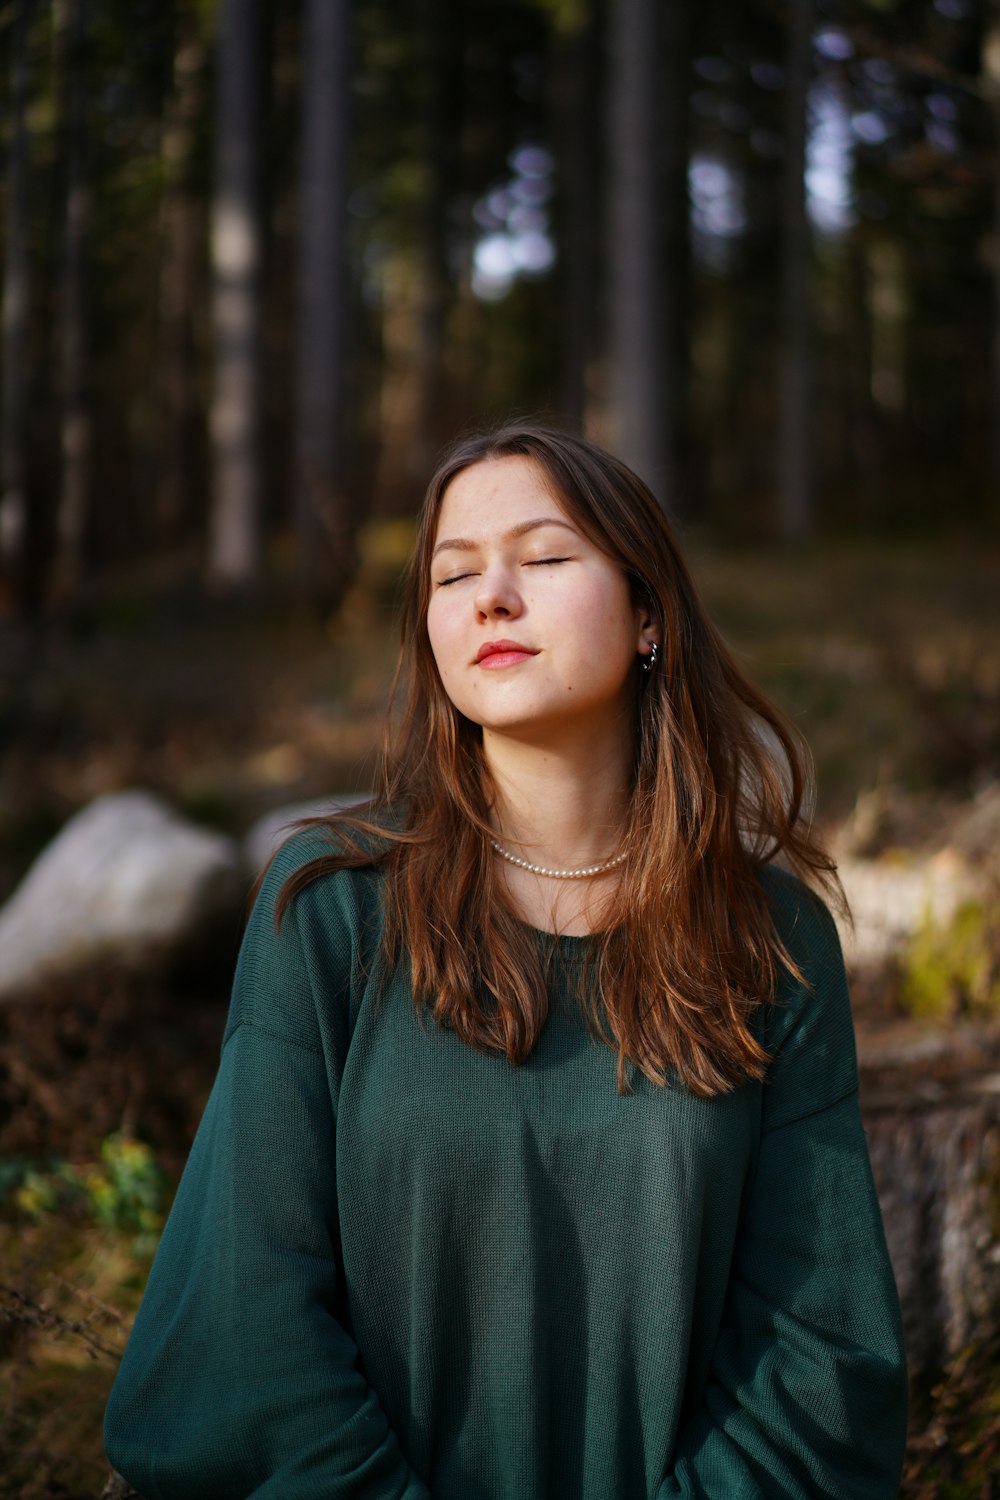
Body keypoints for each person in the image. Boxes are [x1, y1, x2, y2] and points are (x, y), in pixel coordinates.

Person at [104, 422, 908, 1499]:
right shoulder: (332, 908)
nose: (491, 596)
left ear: (648, 618)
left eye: (543, 557)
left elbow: (820, 1355)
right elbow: (241, 1322)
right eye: (454, 572)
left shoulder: (766, 936)